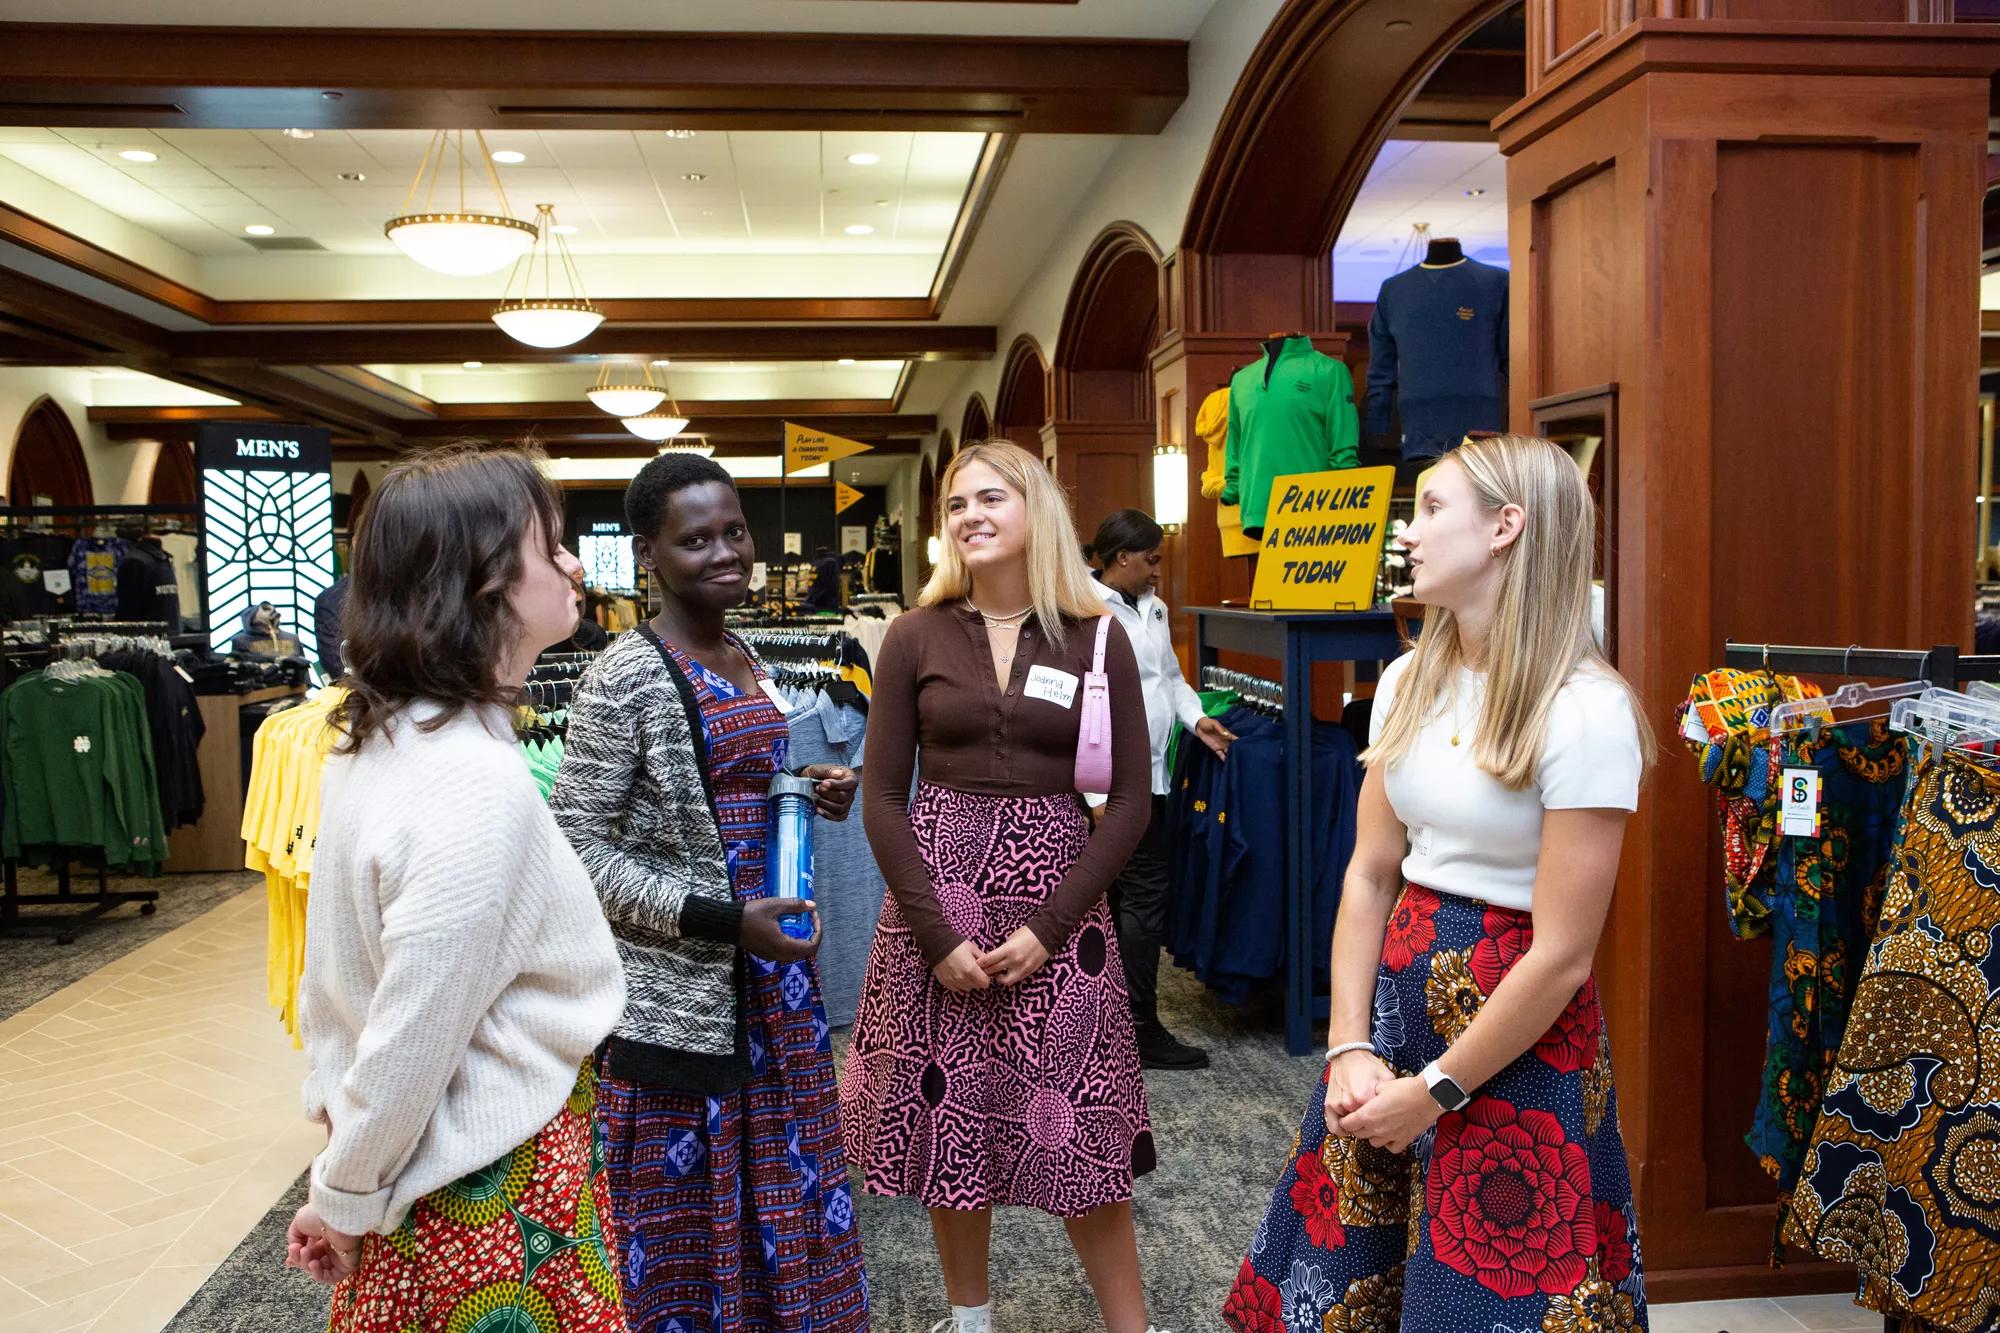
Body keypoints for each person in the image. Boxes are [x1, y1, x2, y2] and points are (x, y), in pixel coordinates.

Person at [1223, 434, 1655, 1332]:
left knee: (1491, 1305)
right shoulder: (1407, 681)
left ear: (1506, 526)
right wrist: (1347, 1043)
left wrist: (1440, 1089)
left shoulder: (1586, 710)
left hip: (1518, 1039)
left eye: (1427, 508)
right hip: (1393, 1013)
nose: (1407, 532)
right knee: (1348, 1291)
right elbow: (1371, 872)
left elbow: (1565, 954)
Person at [287, 444, 628, 1333]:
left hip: (434, 1177)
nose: (573, 564)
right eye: (549, 545)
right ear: (483, 582)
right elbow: (415, 1029)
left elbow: (337, 989)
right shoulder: (472, 777)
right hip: (482, 1189)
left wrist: (346, 1171)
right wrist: (344, 1193)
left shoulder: (386, 737)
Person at [841, 440, 1171, 1333]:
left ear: (1038, 513)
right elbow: (879, 796)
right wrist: (935, 934)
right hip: (936, 902)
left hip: (1061, 909)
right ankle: (970, 1318)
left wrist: (1052, 924)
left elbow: (1132, 800)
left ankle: (1130, 1328)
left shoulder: (1098, 633)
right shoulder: (913, 633)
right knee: (955, 1121)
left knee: (1083, 1132)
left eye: (992, 497)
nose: (971, 515)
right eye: (956, 505)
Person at [550, 452, 870, 1333]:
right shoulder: (626, 674)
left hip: (776, 985)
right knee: (686, 1219)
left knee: (789, 1179)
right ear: (650, 553)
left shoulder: (745, 651)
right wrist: (724, 921)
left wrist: (806, 784)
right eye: (697, 539)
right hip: (687, 994)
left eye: (735, 531)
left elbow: (735, 786)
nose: (727, 551)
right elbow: (575, 846)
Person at [1088, 508, 1235, 1070]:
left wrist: (1197, 719)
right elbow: (1079, 704)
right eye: (1150, 560)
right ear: (1121, 558)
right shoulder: (1082, 610)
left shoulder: (1154, 607)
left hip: (1153, 776)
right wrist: (1095, 797)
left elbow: (1170, 679)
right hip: (1103, 786)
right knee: (1136, 899)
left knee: (1136, 900)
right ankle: (1138, 1029)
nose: (1157, 570)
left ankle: (1122, 1026)